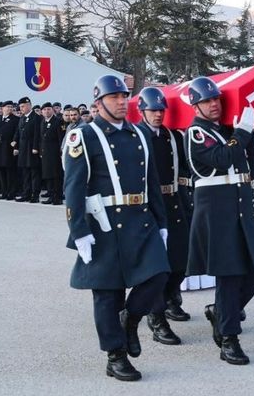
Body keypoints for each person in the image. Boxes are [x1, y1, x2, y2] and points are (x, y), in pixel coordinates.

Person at [63, 75, 170, 381]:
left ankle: (131, 320)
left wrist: (161, 222)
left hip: (140, 218)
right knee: (108, 293)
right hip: (104, 223)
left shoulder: (138, 133)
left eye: (125, 96)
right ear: (98, 103)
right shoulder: (84, 136)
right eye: (114, 98)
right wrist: (78, 229)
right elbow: (73, 187)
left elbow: (152, 181)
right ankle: (116, 356)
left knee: (158, 274)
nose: (123, 102)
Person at [185, 76, 254, 365]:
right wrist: (244, 130)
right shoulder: (196, 133)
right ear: (196, 105)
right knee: (229, 274)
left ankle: (222, 313)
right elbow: (223, 158)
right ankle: (229, 339)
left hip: (243, 206)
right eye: (207, 101)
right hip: (218, 211)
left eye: (216, 100)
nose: (213, 105)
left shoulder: (227, 130)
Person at [134, 87, 192, 339]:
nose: (158, 115)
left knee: (181, 258)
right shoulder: (136, 136)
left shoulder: (172, 136)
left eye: (161, 110)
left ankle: (170, 297)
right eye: (153, 110)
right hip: (150, 203)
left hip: (174, 199)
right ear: (142, 111)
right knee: (156, 265)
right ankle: (155, 318)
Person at [0, 100, 19, 199]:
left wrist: (15, 147)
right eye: (7, 107)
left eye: (11, 107)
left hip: (8, 149)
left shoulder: (15, 119)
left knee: (10, 172)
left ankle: (11, 192)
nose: (9, 109)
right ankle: (4, 192)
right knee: (0, 172)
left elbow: (16, 134)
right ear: (2, 108)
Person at [38, 102, 64, 205]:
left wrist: (61, 152)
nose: (46, 111)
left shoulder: (58, 122)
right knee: (48, 175)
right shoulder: (43, 122)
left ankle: (57, 197)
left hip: (55, 154)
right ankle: (51, 195)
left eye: (48, 109)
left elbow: (61, 139)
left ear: (52, 110)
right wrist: (40, 151)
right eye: (44, 110)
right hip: (45, 153)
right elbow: (41, 139)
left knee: (56, 176)